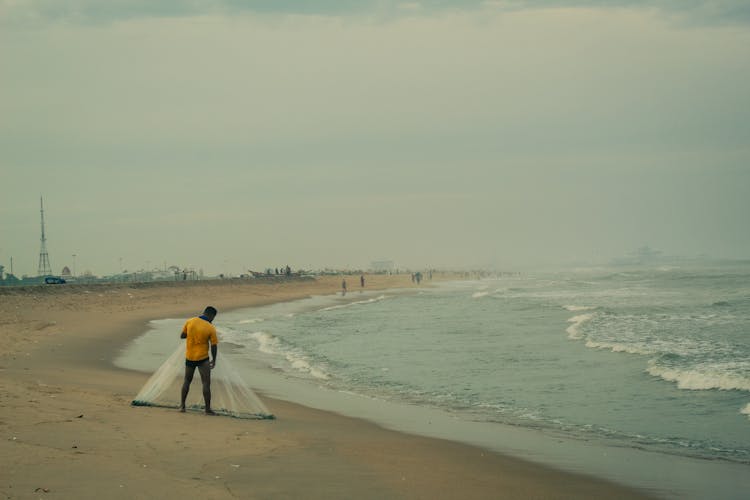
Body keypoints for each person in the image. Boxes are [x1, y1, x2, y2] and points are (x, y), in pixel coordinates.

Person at [180, 306, 218, 415]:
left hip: (190, 357)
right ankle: (207, 410)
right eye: (213, 317)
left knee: (187, 381)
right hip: (203, 359)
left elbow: (182, 336)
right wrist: (214, 360)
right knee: (206, 383)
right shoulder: (210, 328)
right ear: (211, 315)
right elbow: (214, 345)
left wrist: (192, 334)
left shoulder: (190, 321)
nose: (213, 320)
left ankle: (182, 406)